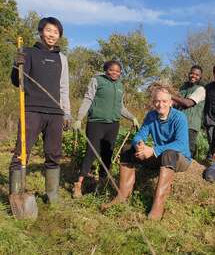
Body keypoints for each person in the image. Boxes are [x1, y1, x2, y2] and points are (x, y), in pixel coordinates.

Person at [101, 84, 191, 220]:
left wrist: (154, 150)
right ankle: (122, 195)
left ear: (171, 102)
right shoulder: (151, 116)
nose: (160, 104)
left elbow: (181, 144)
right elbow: (140, 135)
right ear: (153, 102)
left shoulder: (179, 118)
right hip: (160, 156)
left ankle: (157, 205)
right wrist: (139, 145)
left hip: (180, 158)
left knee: (169, 153)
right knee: (126, 150)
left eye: (164, 101)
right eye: (157, 101)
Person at [10, 17, 71, 203]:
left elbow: (63, 87)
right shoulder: (27, 53)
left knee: (54, 154)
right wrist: (16, 65)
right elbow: (16, 81)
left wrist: (66, 111)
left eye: (56, 32)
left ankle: (52, 196)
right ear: (41, 31)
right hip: (31, 110)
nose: (52, 35)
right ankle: (16, 195)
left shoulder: (62, 58)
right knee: (22, 152)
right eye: (49, 30)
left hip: (55, 113)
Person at [72, 60, 139, 198]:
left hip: (113, 124)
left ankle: (101, 185)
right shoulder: (97, 80)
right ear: (106, 70)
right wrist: (79, 118)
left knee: (107, 155)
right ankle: (78, 184)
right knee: (92, 152)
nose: (114, 73)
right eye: (111, 70)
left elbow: (120, 107)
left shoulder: (120, 86)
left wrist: (132, 117)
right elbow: (88, 99)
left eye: (118, 71)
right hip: (96, 123)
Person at [172, 65, 205, 157]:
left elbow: (188, 103)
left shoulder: (201, 90)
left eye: (196, 75)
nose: (193, 76)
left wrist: (169, 95)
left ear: (200, 77)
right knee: (176, 147)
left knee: (188, 150)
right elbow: (174, 104)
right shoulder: (183, 88)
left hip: (191, 125)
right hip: (178, 123)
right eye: (192, 73)